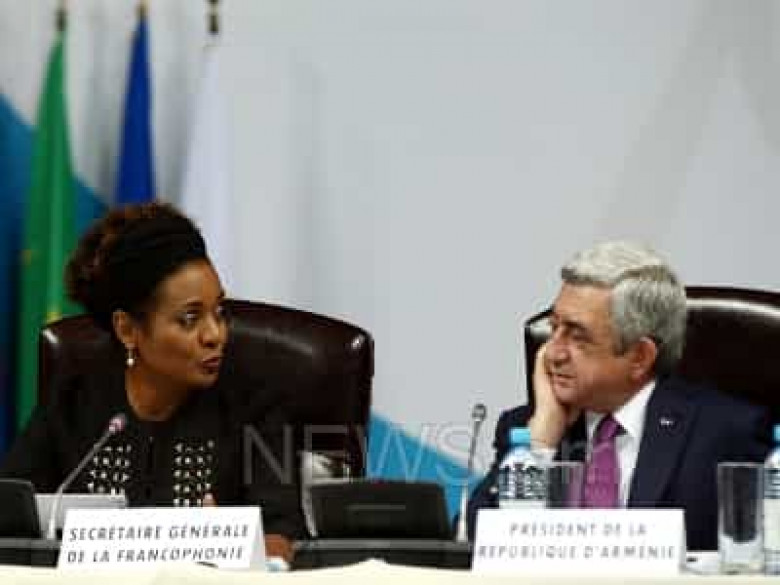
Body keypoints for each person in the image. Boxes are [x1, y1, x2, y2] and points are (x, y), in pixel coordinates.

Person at [1, 202, 304, 560]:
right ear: (128, 330)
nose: (215, 334)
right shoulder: (73, 403)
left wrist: (239, 551)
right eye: (189, 319)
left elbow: (282, 536)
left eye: (219, 311)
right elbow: (11, 520)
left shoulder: (257, 405)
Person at [467, 240, 771, 550]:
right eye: (554, 328)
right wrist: (539, 446)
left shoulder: (726, 432)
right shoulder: (528, 426)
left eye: (577, 336)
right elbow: (477, 541)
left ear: (639, 356)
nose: (553, 353)